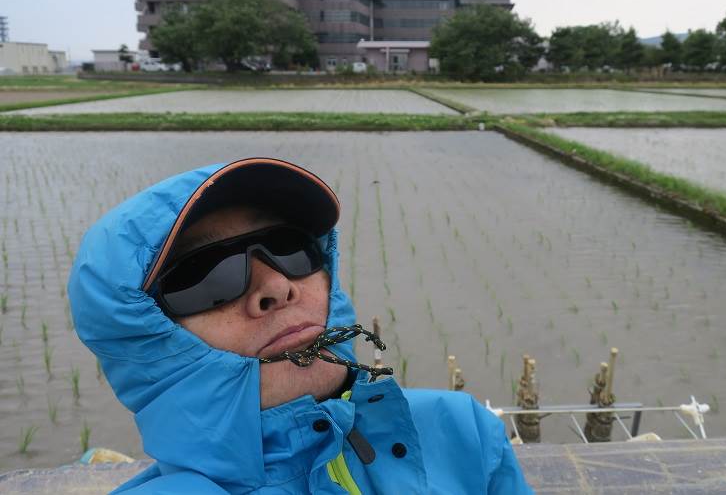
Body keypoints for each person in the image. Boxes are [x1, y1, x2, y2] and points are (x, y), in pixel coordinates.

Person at [68, 157, 532, 494]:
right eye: (205, 275)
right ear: (144, 338)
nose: (277, 285)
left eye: (290, 247)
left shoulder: (462, 431)